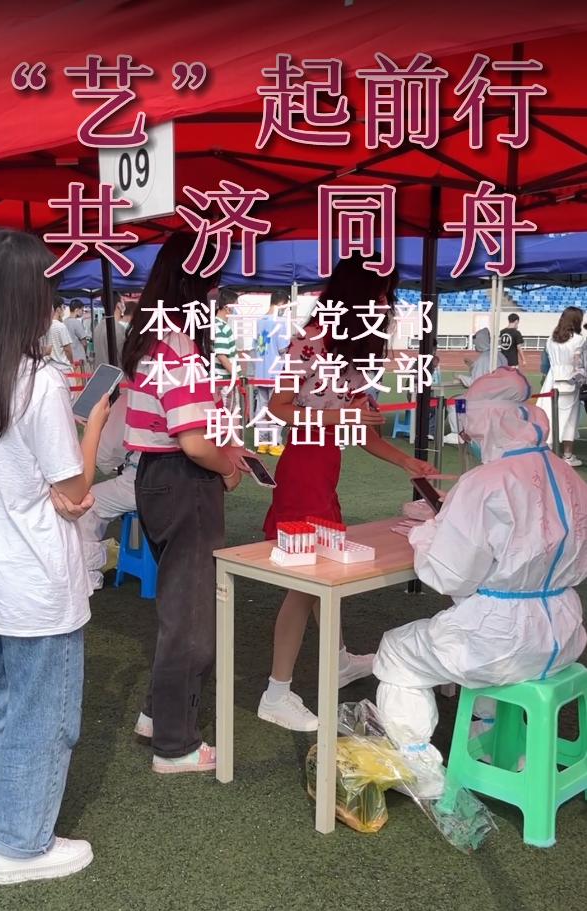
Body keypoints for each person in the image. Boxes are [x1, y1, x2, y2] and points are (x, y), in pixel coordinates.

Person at [374, 368, 587, 798]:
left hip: (502, 636)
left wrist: (428, 532)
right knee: (471, 642)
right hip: (564, 630)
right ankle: (492, 741)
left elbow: (450, 574)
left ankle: (421, 771)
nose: (468, 437)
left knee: (397, 651)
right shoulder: (568, 475)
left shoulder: (485, 482)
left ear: (487, 421)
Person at [257, 254, 439, 733]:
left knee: (319, 581)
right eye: (381, 294)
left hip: (324, 473)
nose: (387, 303)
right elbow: (279, 408)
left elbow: (365, 430)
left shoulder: (352, 350)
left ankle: (335, 659)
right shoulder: (309, 340)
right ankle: (276, 692)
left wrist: (408, 463)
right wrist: (341, 417)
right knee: (305, 586)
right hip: (302, 470)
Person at [0, 229, 110, 884]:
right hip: (34, 577)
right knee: (43, 716)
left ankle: (0, 827)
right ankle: (23, 845)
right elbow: (75, 489)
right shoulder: (38, 382)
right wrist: (95, 423)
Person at [122, 233, 249, 775]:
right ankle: (174, 745)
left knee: (179, 608)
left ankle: (158, 716)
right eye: (213, 284)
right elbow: (194, 441)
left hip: (156, 478)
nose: (218, 295)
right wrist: (229, 467)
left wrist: (223, 454)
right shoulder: (178, 344)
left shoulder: (151, 338)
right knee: (191, 618)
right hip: (183, 481)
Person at [77, 393, 139, 590]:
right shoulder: (199, 388)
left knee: (86, 506)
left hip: (144, 481)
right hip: (197, 484)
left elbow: (105, 454)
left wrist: (94, 428)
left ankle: (88, 578)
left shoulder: (132, 397)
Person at [537, 306, 586, 468]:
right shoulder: (579, 340)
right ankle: (567, 455)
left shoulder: (550, 340)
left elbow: (545, 364)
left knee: (550, 416)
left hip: (551, 381)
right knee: (570, 419)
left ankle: (548, 452)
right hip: (570, 381)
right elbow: (579, 364)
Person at [442, 327, 507, 444]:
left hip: (482, 398)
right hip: (499, 397)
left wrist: (459, 376)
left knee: (453, 403)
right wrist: (473, 366)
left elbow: (475, 382)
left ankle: (459, 434)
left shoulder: (484, 358)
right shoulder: (500, 356)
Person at [253, 290, 290, 456]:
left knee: (261, 408)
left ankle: (262, 443)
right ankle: (274, 443)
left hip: (260, 371)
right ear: (282, 304)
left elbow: (256, 345)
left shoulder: (259, 321)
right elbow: (283, 349)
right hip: (276, 372)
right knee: (277, 408)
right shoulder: (280, 322)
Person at [213, 288, 242, 414]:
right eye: (236, 305)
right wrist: (236, 376)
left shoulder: (213, 324)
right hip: (225, 381)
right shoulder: (222, 327)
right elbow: (222, 356)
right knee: (228, 415)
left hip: (219, 379)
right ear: (227, 307)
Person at [44, 295, 74, 381]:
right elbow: (67, 349)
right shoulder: (60, 326)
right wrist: (71, 362)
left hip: (50, 367)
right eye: (63, 307)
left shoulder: (45, 327)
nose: (64, 310)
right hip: (63, 368)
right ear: (58, 309)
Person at [94, 291, 126, 368]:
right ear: (119, 305)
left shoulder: (97, 327)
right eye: (123, 302)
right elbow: (125, 357)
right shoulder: (119, 329)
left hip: (101, 372)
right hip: (117, 373)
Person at [65, 298, 89, 373]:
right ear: (76, 310)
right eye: (82, 310)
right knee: (80, 379)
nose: (83, 312)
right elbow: (84, 343)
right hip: (79, 359)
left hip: (69, 358)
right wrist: (85, 352)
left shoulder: (64, 322)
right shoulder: (76, 322)